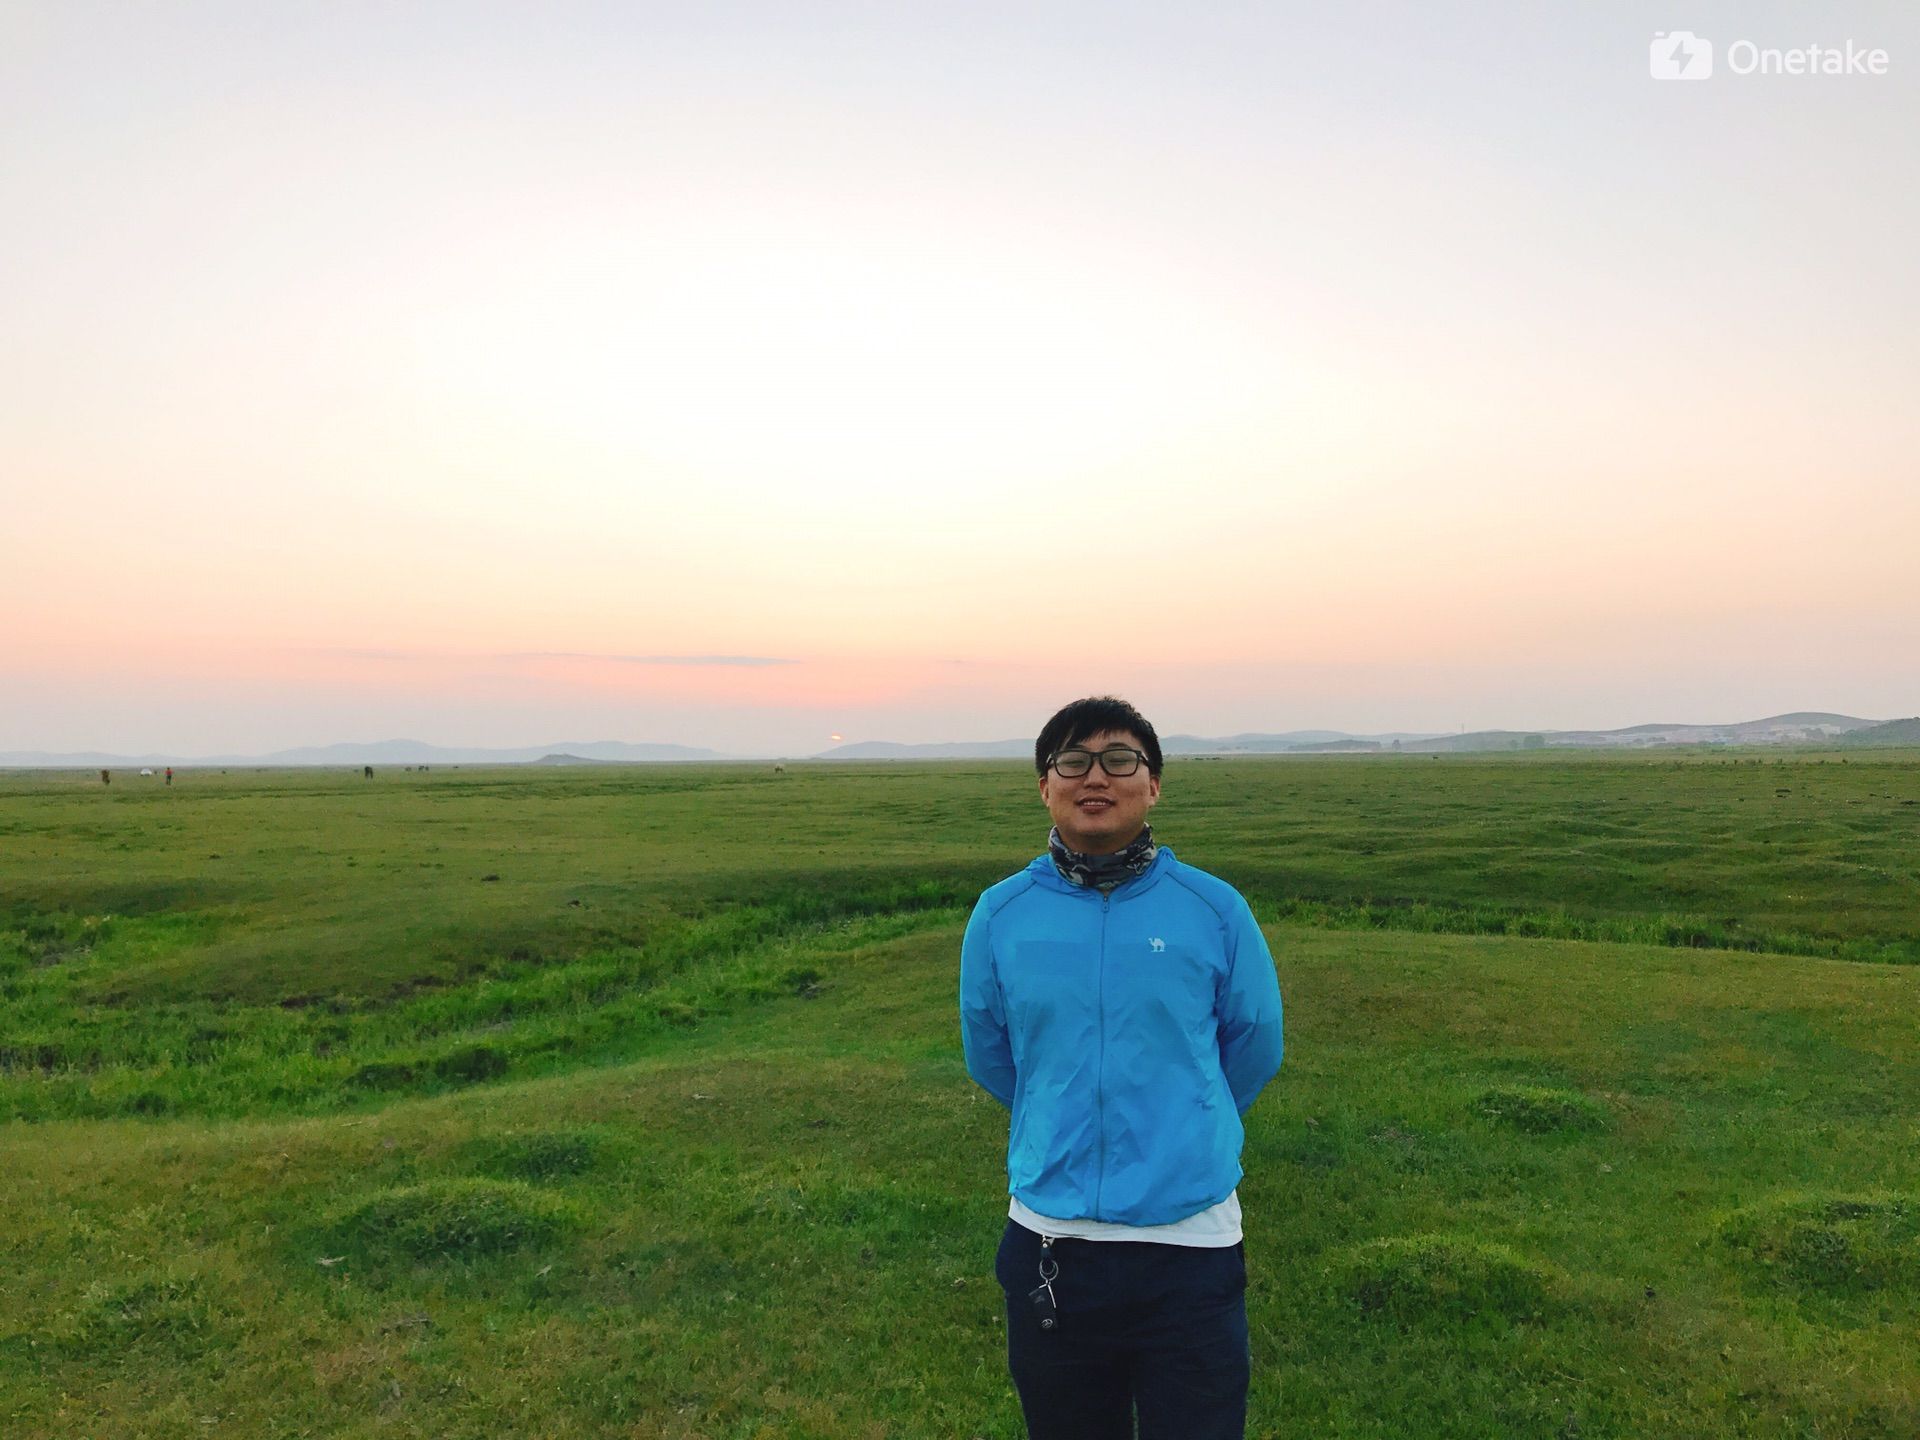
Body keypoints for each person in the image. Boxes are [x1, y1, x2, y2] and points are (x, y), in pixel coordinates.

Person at [960, 696, 1284, 1439]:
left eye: (1120, 759)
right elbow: (992, 1053)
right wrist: (1058, 1112)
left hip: (1190, 1244)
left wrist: (1186, 1120)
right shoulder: (1001, 915)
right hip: (1050, 1243)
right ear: (1045, 785)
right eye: (1071, 761)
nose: (1094, 776)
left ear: (1154, 784)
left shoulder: (1214, 909)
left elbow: (1255, 1042)